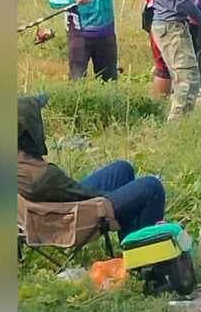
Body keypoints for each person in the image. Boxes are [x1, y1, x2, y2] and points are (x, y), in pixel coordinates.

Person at [18, 94, 165, 241]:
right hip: (67, 220)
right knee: (151, 188)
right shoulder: (41, 175)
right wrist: (123, 198)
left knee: (122, 169)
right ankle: (138, 254)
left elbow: (68, 191)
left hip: (51, 207)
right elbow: (86, 196)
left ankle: (131, 237)